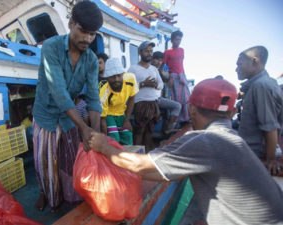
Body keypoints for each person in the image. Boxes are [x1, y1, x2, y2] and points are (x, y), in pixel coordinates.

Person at [89, 79, 283, 225]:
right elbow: (162, 172)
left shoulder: (206, 141)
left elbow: (140, 165)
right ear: (232, 113)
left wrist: (103, 147)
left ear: (190, 109)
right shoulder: (231, 137)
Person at [32, 1, 103, 211]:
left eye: (93, 34)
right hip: (45, 115)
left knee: (70, 161)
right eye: (83, 31)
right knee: (43, 162)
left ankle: (68, 198)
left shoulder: (91, 59)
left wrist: (96, 133)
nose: (87, 39)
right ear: (71, 23)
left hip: (68, 118)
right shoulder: (51, 46)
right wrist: (84, 127)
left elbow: (93, 96)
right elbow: (59, 92)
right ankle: (44, 193)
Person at [237, 46, 283, 176]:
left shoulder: (260, 86)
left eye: (239, 64)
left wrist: (270, 160)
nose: (236, 69)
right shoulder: (267, 83)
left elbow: (270, 126)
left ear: (254, 61)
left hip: (254, 156)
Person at [127, 42, 162, 151]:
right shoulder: (132, 69)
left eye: (151, 51)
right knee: (139, 131)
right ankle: (137, 156)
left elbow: (161, 85)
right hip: (140, 103)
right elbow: (127, 88)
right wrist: (142, 84)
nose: (149, 53)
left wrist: (156, 85)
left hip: (154, 103)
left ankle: (146, 155)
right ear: (140, 52)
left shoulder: (154, 69)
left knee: (149, 131)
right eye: (146, 51)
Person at [100, 58, 138, 145]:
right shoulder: (104, 93)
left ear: (123, 74)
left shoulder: (131, 78)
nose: (116, 79)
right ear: (107, 77)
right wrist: (105, 137)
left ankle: (128, 157)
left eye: (119, 75)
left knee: (128, 135)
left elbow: (132, 99)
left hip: (122, 113)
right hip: (109, 115)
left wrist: (127, 120)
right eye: (112, 76)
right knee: (114, 138)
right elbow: (102, 119)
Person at [159, 30, 190, 123]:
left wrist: (184, 76)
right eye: (176, 39)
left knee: (187, 98)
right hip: (173, 76)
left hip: (182, 76)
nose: (178, 41)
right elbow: (162, 66)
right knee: (176, 99)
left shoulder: (182, 50)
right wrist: (166, 77)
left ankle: (186, 118)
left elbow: (181, 65)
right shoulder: (167, 52)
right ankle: (178, 120)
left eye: (180, 40)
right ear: (171, 41)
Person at [150, 51, 182, 134]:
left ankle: (168, 128)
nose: (159, 62)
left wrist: (170, 79)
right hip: (151, 99)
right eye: (157, 59)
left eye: (161, 60)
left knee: (177, 105)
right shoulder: (149, 69)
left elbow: (164, 78)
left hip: (158, 98)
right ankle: (167, 128)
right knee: (177, 106)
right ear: (152, 59)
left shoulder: (157, 70)